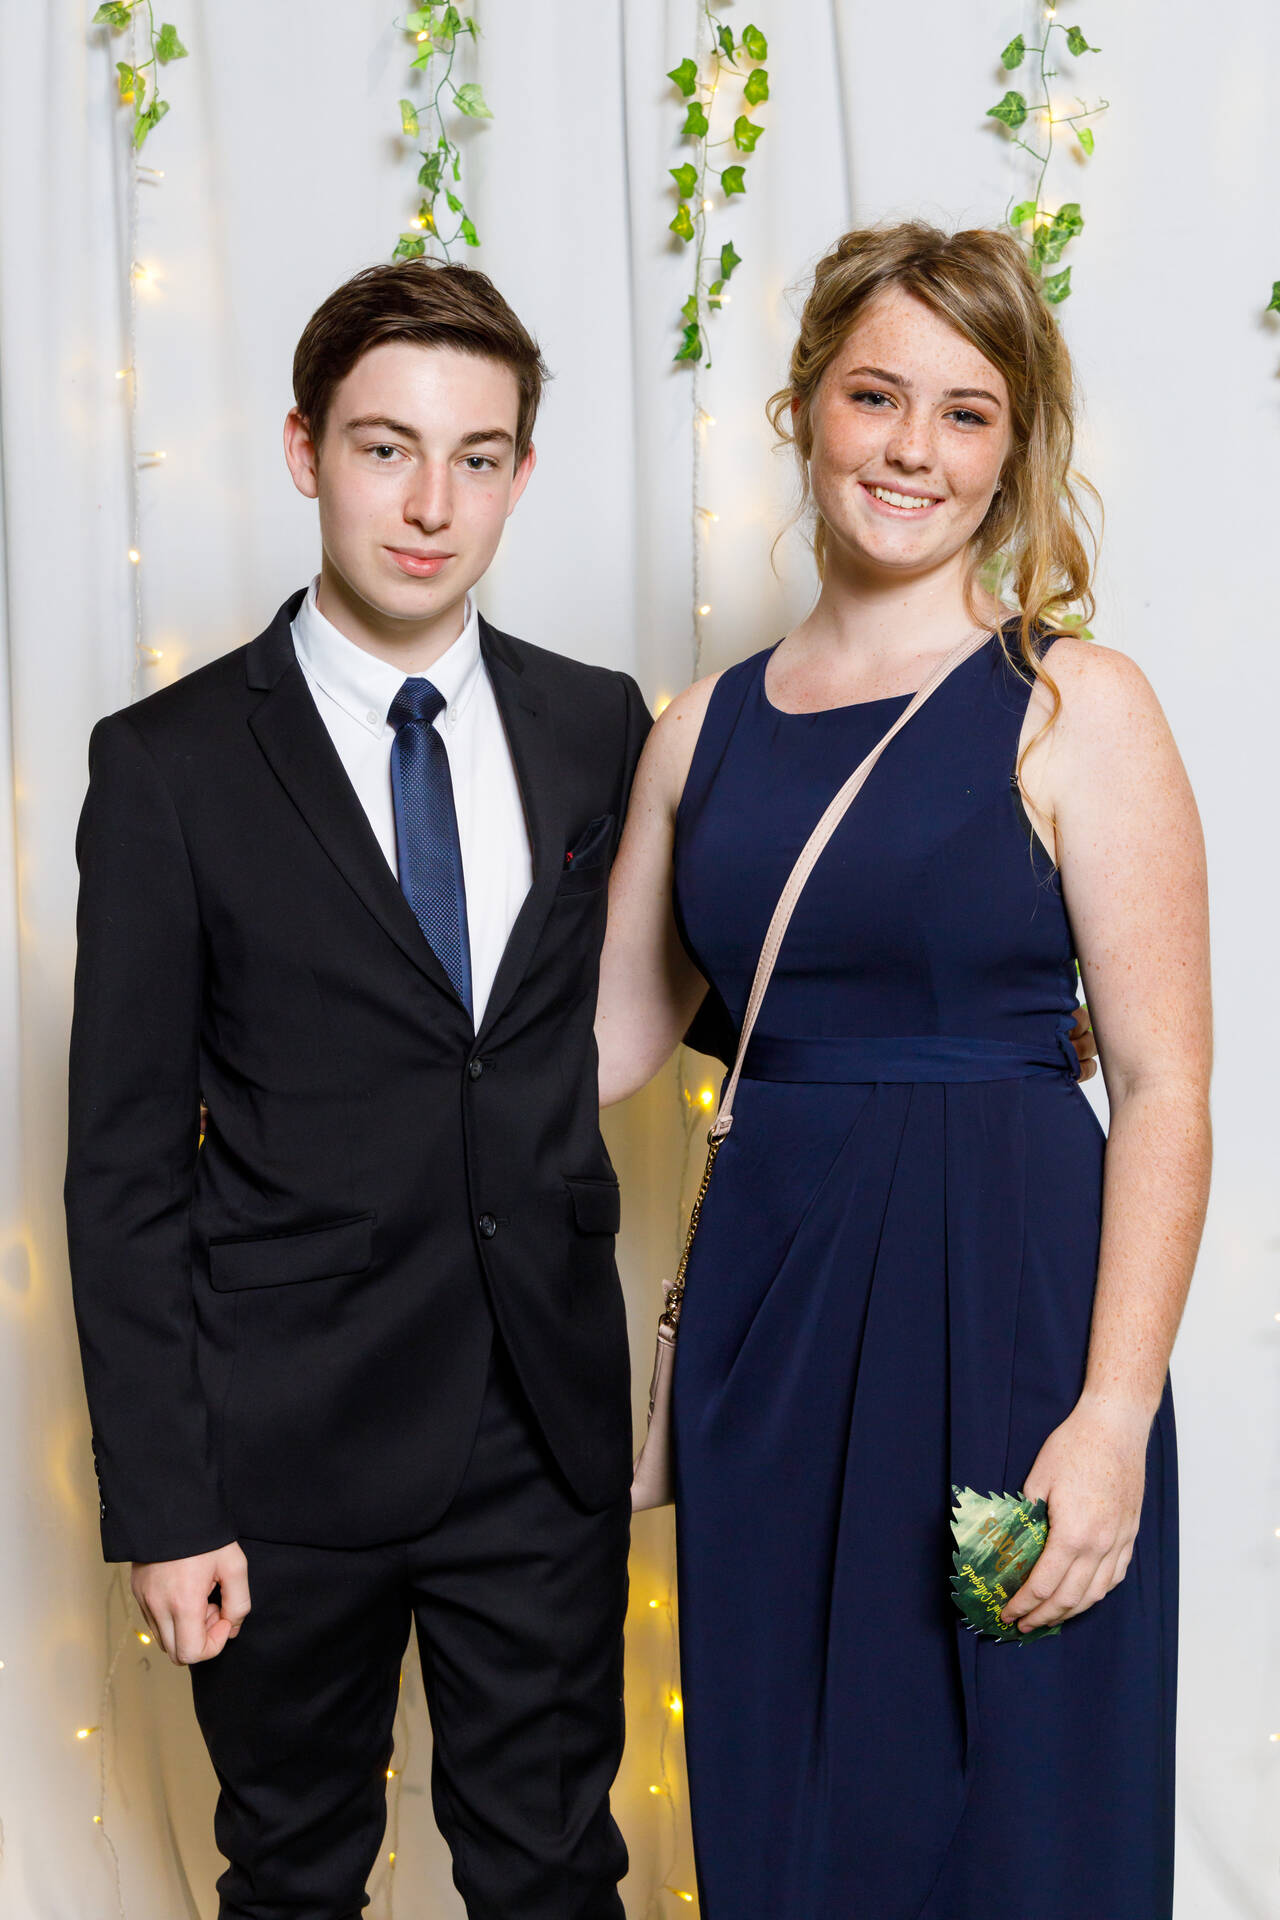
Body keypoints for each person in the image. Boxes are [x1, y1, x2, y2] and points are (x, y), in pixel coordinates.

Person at [596, 222, 1210, 1919]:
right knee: (798, 1810)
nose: (912, 449)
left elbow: (1165, 1086)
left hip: (1014, 1347)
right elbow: (597, 1050)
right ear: (806, 407)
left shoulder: (1077, 705)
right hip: (775, 1350)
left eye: (965, 412)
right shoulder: (698, 731)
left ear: (1014, 448)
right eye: (876, 396)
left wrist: (1113, 1417)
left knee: (1022, 1802)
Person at [64, 259, 653, 1919]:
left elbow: (691, 983)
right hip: (280, 1447)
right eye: (387, 448)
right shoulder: (168, 766)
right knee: (295, 1875)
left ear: (521, 477)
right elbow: (122, 1169)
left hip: (539, 1426)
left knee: (555, 1875)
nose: (431, 504)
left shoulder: (598, 727)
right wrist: (166, 1506)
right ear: (304, 450)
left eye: (478, 457)